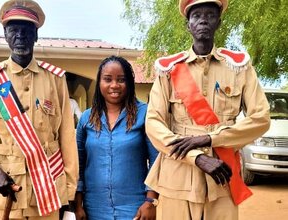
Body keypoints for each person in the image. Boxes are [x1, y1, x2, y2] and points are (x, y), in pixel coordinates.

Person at [144, 0, 271, 219]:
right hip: (179, 175)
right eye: (196, 15)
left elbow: (261, 119)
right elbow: (154, 124)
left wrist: (210, 139)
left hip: (223, 174)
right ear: (188, 24)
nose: (203, 20)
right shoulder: (169, 70)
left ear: (219, 23)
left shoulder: (239, 67)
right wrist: (197, 157)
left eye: (210, 15)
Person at [0, 0, 78, 219]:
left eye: (27, 30)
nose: (20, 35)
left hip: (48, 189)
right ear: (5, 33)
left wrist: (68, 194)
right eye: (14, 29)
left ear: (36, 35)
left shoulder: (55, 79)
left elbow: (67, 137)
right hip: (7, 189)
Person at [74, 56, 159, 220]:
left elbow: (156, 160)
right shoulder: (87, 118)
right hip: (94, 208)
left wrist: (151, 201)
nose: (114, 85)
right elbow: (78, 164)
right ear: (99, 82)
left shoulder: (145, 114)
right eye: (107, 79)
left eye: (121, 80)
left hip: (136, 208)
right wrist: (78, 205)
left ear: (129, 83)